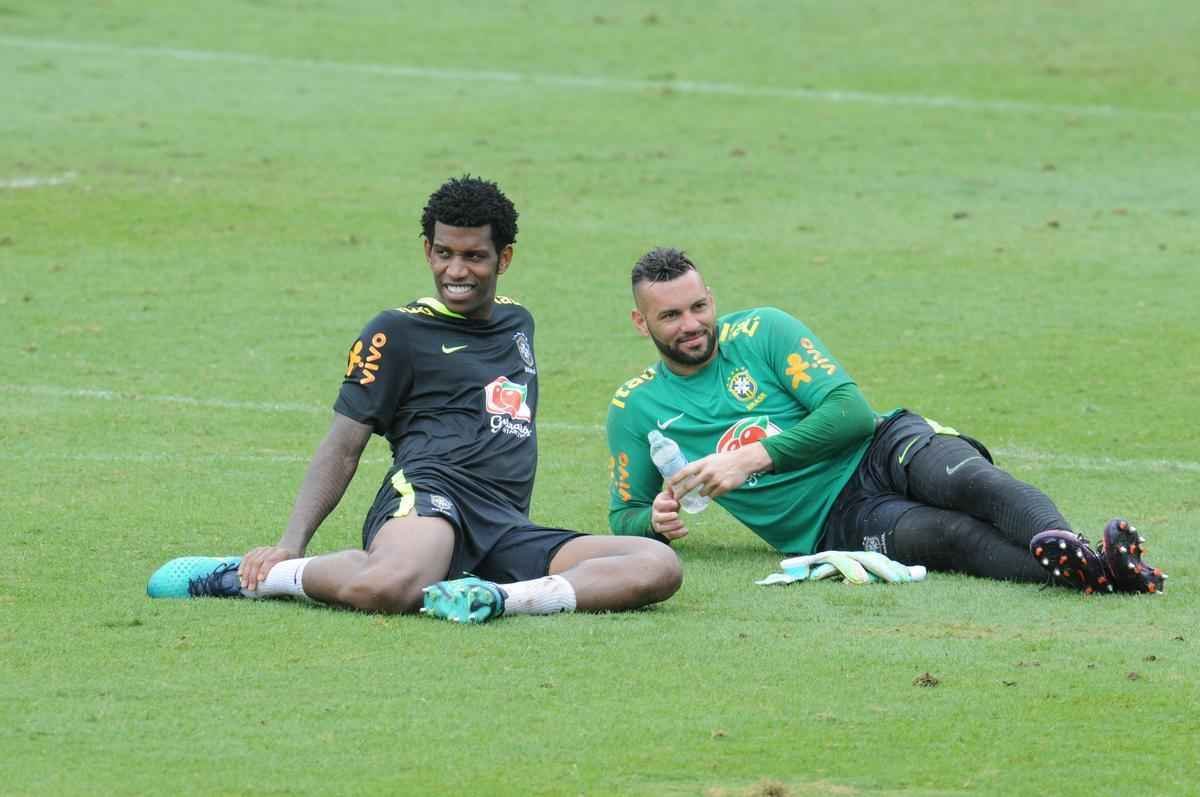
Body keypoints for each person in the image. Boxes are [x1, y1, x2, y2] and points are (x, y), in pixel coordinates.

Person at [147, 177, 682, 622]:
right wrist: (291, 543)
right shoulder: (394, 332)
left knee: (656, 565)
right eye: (444, 253)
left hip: (503, 523)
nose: (456, 270)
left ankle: (497, 599)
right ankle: (254, 579)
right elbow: (342, 446)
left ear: (505, 257)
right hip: (430, 498)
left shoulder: (519, 322)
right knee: (391, 588)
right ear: (428, 250)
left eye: (474, 256)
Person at [604, 247, 1166, 595]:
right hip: (834, 522)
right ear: (640, 322)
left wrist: (755, 456)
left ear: (711, 298)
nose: (692, 325)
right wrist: (655, 521)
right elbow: (624, 516)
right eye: (671, 316)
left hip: (880, 443)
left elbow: (848, 413)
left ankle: (1071, 545)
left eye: (699, 307)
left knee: (972, 482)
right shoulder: (636, 407)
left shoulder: (763, 331)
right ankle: (1099, 572)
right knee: (952, 537)